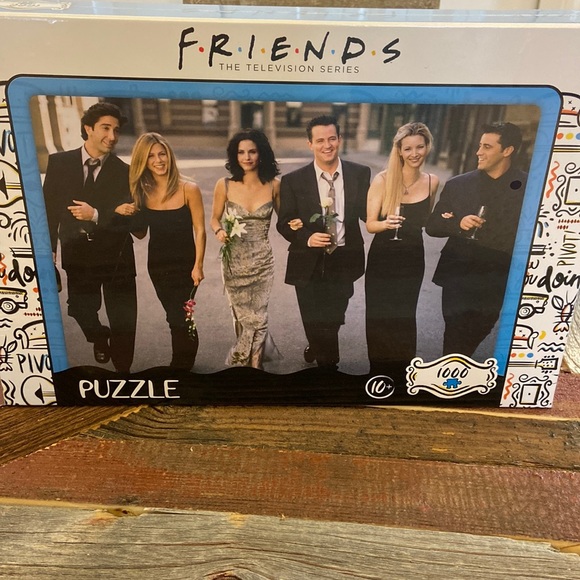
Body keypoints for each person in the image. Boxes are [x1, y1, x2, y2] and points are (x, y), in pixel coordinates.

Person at [43, 102, 137, 373]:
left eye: (116, 130)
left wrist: (95, 214)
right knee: (79, 309)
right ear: (88, 129)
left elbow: (129, 219)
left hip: (117, 254)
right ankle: (99, 336)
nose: (112, 136)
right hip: (77, 252)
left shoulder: (125, 171)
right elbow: (48, 211)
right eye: (105, 128)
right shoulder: (59, 163)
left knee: (123, 319)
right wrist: (48, 250)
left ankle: (124, 373)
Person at [277, 115, 370, 370]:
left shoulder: (360, 173)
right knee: (313, 316)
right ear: (310, 144)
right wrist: (307, 237)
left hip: (345, 257)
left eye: (331, 139)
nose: (326, 145)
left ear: (339, 139)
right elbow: (284, 223)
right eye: (320, 140)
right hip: (307, 261)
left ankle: (317, 346)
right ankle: (329, 365)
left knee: (334, 316)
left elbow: (368, 212)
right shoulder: (293, 181)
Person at [426, 122, 528, 356]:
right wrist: (458, 223)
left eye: (487, 147)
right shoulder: (458, 184)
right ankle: (452, 370)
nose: (478, 152)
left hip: (497, 273)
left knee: (482, 326)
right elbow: (433, 226)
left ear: (507, 150)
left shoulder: (529, 188)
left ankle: (457, 362)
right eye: (480, 145)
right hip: (458, 272)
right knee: (455, 330)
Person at [365, 122, 439, 379]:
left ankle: (403, 373)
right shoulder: (383, 180)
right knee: (379, 315)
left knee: (405, 315)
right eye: (408, 148)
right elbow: (370, 225)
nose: (414, 153)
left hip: (412, 257)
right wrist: (386, 224)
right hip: (383, 257)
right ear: (399, 150)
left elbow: (426, 221)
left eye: (420, 147)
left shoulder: (432, 182)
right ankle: (379, 373)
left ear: (428, 147)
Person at [130, 132, 206, 370]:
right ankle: (182, 362)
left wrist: (198, 265)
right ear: (144, 161)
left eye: (162, 154)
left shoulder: (188, 189)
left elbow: (200, 230)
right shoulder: (143, 192)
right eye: (151, 156)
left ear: (169, 156)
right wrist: (127, 213)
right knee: (173, 316)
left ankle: (181, 364)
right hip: (157, 265)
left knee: (180, 315)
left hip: (186, 265)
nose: (158, 160)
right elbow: (140, 233)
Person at [210, 129, 281, 369]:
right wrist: (219, 231)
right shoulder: (225, 185)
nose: (247, 157)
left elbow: (284, 220)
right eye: (241, 152)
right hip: (234, 260)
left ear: (261, 154)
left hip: (262, 259)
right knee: (241, 314)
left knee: (259, 313)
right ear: (235, 155)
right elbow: (214, 219)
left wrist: (294, 223)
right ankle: (246, 359)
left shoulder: (274, 185)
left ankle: (256, 364)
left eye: (252, 151)